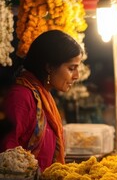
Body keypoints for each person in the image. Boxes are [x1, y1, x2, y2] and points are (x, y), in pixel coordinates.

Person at [0, 30, 83, 171]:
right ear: (49, 67)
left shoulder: (43, 95)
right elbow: (8, 156)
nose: (77, 75)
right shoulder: (21, 97)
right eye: (71, 68)